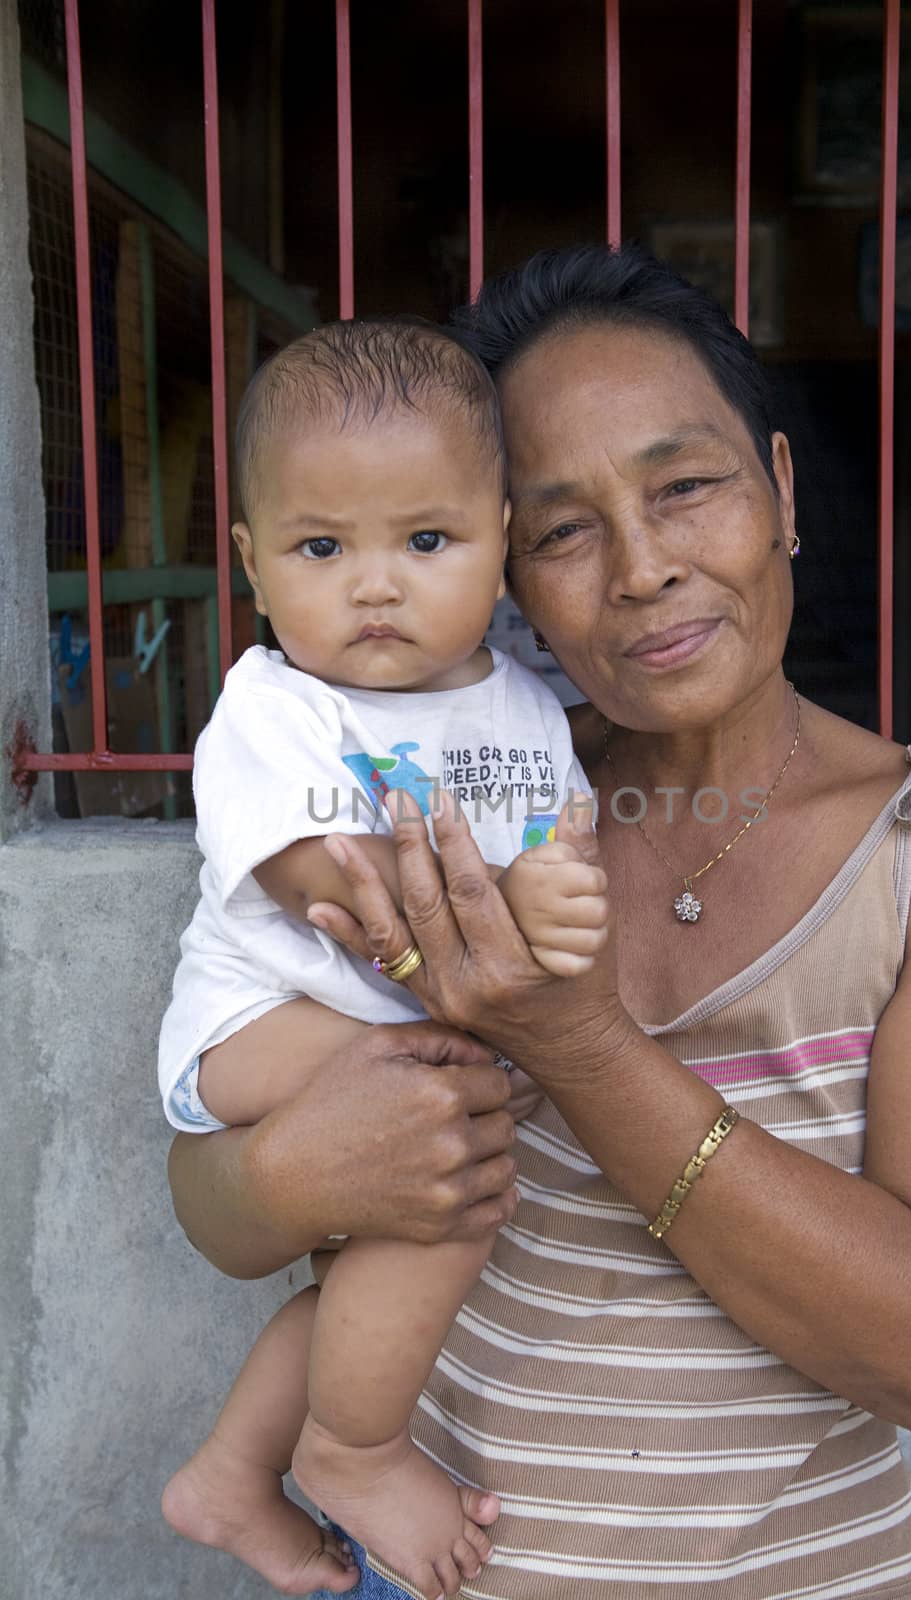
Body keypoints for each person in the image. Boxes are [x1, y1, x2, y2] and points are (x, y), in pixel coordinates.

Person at [167, 245, 911, 1600]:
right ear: (502, 571)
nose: (640, 570)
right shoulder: (465, 813)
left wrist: (572, 1042)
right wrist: (303, 1170)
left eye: (684, 486)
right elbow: (216, 1204)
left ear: (778, 487)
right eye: (560, 531)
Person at [157, 317, 607, 1600]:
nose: (374, 585)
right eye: (319, 547)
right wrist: (519, 900)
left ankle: (231, 1476)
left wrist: (564, 902)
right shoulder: (275, 707)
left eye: (424, 541)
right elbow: (333, 893)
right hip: (256, 1026)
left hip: (394, 1038)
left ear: (502, 538)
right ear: (248, 564)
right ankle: (352, 1450)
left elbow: (559, 869)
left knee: (391, 1246)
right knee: (450, 1149)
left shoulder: (524, 707)